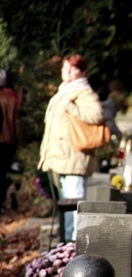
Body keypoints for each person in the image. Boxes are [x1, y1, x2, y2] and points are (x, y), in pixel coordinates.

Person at [38, 54, 105, 241]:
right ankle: (66, 243)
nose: (67, 71)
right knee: (67, 205)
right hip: (62, 158)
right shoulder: (64, 91)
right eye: (65, 67)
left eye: (73, 68)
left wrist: (72, 107)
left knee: (75, 204)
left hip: (74, 157)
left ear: (82, 71)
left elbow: (96, 115)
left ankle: (76, 245)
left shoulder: (84, 93)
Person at [0, 69, 20, 214]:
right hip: (9, 141)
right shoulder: (11, 100)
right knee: (3, 171)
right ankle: (6, 193)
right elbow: (17, 124)